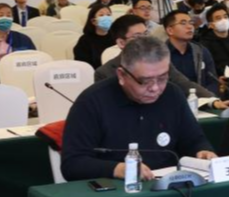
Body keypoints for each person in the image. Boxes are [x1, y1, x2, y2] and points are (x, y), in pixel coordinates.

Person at [60, 36, 218, 182]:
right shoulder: (92, 101)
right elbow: (72, 164)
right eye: (145, 81)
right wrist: (118, 169)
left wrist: (202, 151)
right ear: (122, 75)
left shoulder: (172, 94)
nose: (155, 88)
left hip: (168, 184)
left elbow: (193, 140)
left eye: (162, 78)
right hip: (118, 190)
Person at [93, 15, 222, 101]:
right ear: (121, 43)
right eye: (138, 36)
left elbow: (184, 84)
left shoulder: (160, 62)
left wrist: (212, 100)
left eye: (146, 34)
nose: (144, 40)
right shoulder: (104, 72)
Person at [162, 10, 220, 93]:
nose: (189, 27)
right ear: (170, 30)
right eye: (183, 23)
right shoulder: (160, 54)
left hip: (203, 98)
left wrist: (207, 97)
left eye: (191, 23)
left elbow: (213, 81)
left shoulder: (201, 51)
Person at [196, 4, 229, 79]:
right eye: (218, 18)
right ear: (211, 25)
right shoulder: (204, 46)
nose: (223, 20)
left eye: (225, 17)